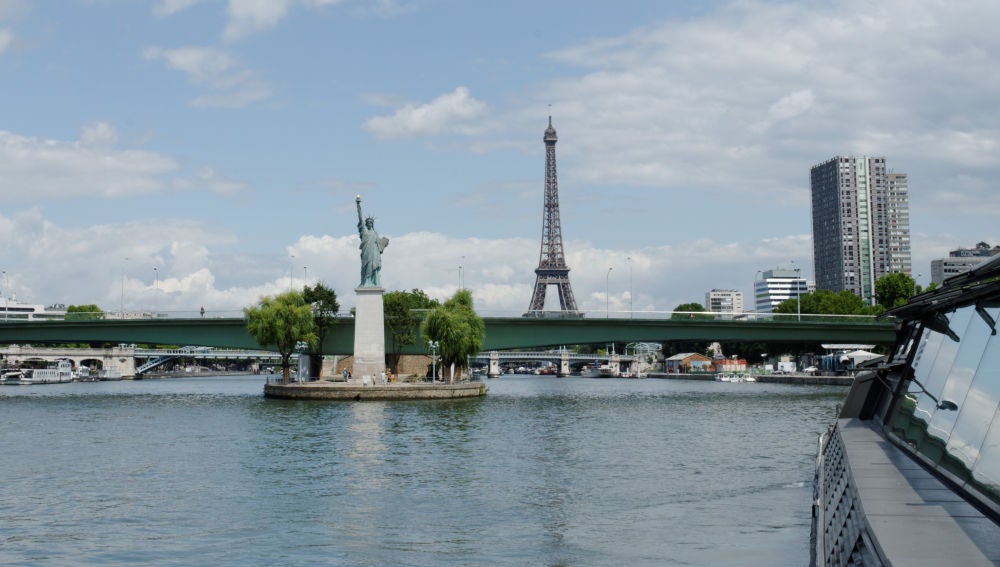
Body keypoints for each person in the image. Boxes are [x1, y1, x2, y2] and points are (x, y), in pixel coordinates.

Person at [356, 196, 389, 287]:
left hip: (375, 253)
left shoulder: (375, 233)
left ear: (373, 224)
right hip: (366, 252)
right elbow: (360, 217)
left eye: (371, 222)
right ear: (366, 223)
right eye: (368, 222)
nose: (370, 223)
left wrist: (384, 243)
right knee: (366, 266)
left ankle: (375, 282)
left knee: (374, 266)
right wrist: (358, 205)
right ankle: (366, 282)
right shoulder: (364, 231)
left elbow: (380, 245)